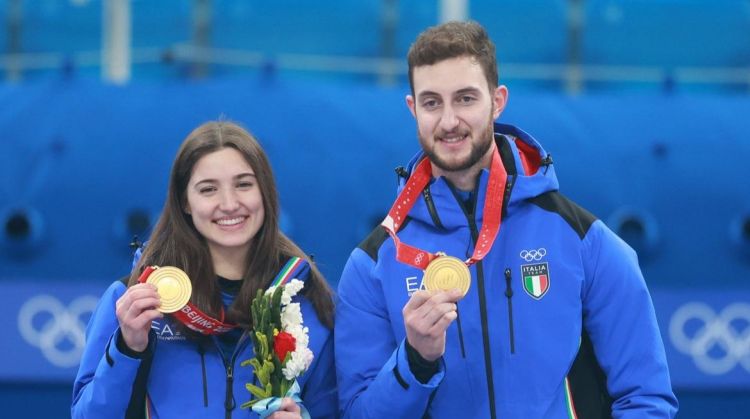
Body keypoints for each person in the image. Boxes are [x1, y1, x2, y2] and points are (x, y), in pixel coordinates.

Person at [335, 21, 678, 418]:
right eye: (432, 103)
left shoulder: (583, 239)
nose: (448, 121)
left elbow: (646, 398)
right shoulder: (374, 264)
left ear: (497, 101)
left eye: (465, 99)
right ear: (413, 108)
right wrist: (415, 361)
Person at [72, 121, 337, 418]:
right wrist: (128, 348)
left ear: (265, 193)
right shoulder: (134, 301)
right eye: (208, 189)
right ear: (185, 201)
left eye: (244, 184)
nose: (229, 204)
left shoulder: (308, 301)